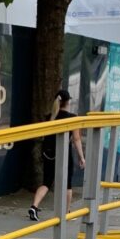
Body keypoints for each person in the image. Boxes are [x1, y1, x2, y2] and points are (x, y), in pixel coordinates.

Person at [28, 90, 85, 221]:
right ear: (68, 101)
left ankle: (34, 206)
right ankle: (66, 212)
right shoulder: (72, 118)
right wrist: (82, 157)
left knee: (46, 182)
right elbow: (76, 139)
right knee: (68, 184)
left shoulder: (50, 116)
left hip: (48, 153)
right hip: (64, 153)